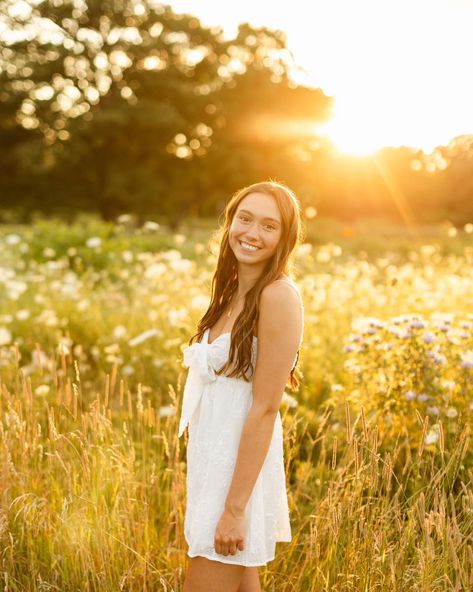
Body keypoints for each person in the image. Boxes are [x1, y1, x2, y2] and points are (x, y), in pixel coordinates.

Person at [179, 180, 305, 592]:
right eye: (245, 218)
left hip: (236, 475)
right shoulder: (233, 291)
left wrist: (234, 509)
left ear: (285, 238)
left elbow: (265, 408)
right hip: (212, 463)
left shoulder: (278, 296)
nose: (252, 233)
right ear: (229, 222)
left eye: (269, 225)